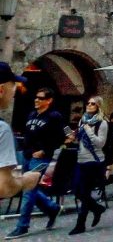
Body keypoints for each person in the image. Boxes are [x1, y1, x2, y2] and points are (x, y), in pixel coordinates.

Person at [6, 87, 64, 239]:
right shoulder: (32, 114)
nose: (36, 100)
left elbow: (61, 137)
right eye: (36, 97)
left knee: (28, 190)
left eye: (41, 98)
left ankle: (22, 226)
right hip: (27, 155)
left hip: (40, 157)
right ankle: (52, 208)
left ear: (49, 100)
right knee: (25, 186)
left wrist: (45, 150)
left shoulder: (54, 116)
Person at [68, 96, 109, 235]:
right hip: (81, 159)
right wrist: (73, 138)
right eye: (88, 103)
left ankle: (81, 224)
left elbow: (100, 143)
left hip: (94, 161)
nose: (89, 105)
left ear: (98, 106)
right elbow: (81, 141)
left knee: (84, 192)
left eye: (93, 104)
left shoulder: (102, 123)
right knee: (76, 190)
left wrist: (88, 130)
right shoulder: (82, 120)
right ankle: (97, 208)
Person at [0, 64, 42, 200]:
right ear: (1, 90)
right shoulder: (2, 129)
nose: (14, 91)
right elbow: (3, 186)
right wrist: (25, 181)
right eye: (13, 85)